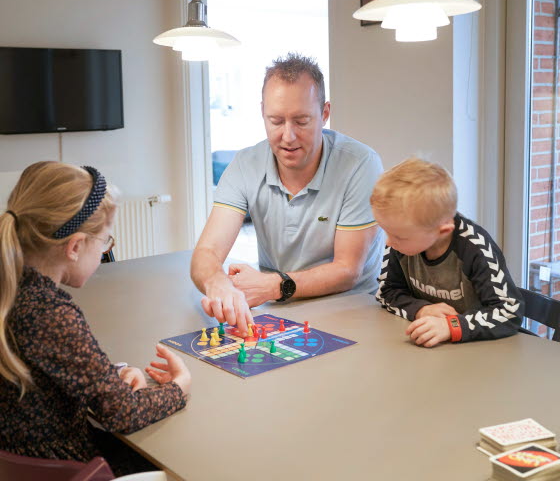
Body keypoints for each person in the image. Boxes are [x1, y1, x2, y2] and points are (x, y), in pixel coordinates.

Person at [0, 162, 191, 475]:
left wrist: (112, 374)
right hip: (73, 467)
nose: (104, 252)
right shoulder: (50, 313)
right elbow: (124, 415)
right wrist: (179, 387)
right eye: (105, 242)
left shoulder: (13, 287)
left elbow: (50, 366)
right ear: (75, 247)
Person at [191, 53, 385, 334]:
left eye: (301, 121)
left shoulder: (360, 164)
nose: (288, 136)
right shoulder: (245, 165)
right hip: (279, 311)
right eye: (276, 121)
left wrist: (272, 285)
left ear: (325, 113)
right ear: (262, 113)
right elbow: (206, 252)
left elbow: (347, 270)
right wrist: (218, 284)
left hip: (352, 310)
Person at [371, 157, 524, 347]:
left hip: (482, 350)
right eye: (386, 231)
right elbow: (387, 292)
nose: (388, 242)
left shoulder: (475, 248)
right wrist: (421, 310)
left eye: (398, 236)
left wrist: (451, 326)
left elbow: (509, 312)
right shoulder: (401, 241)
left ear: (442, 231)